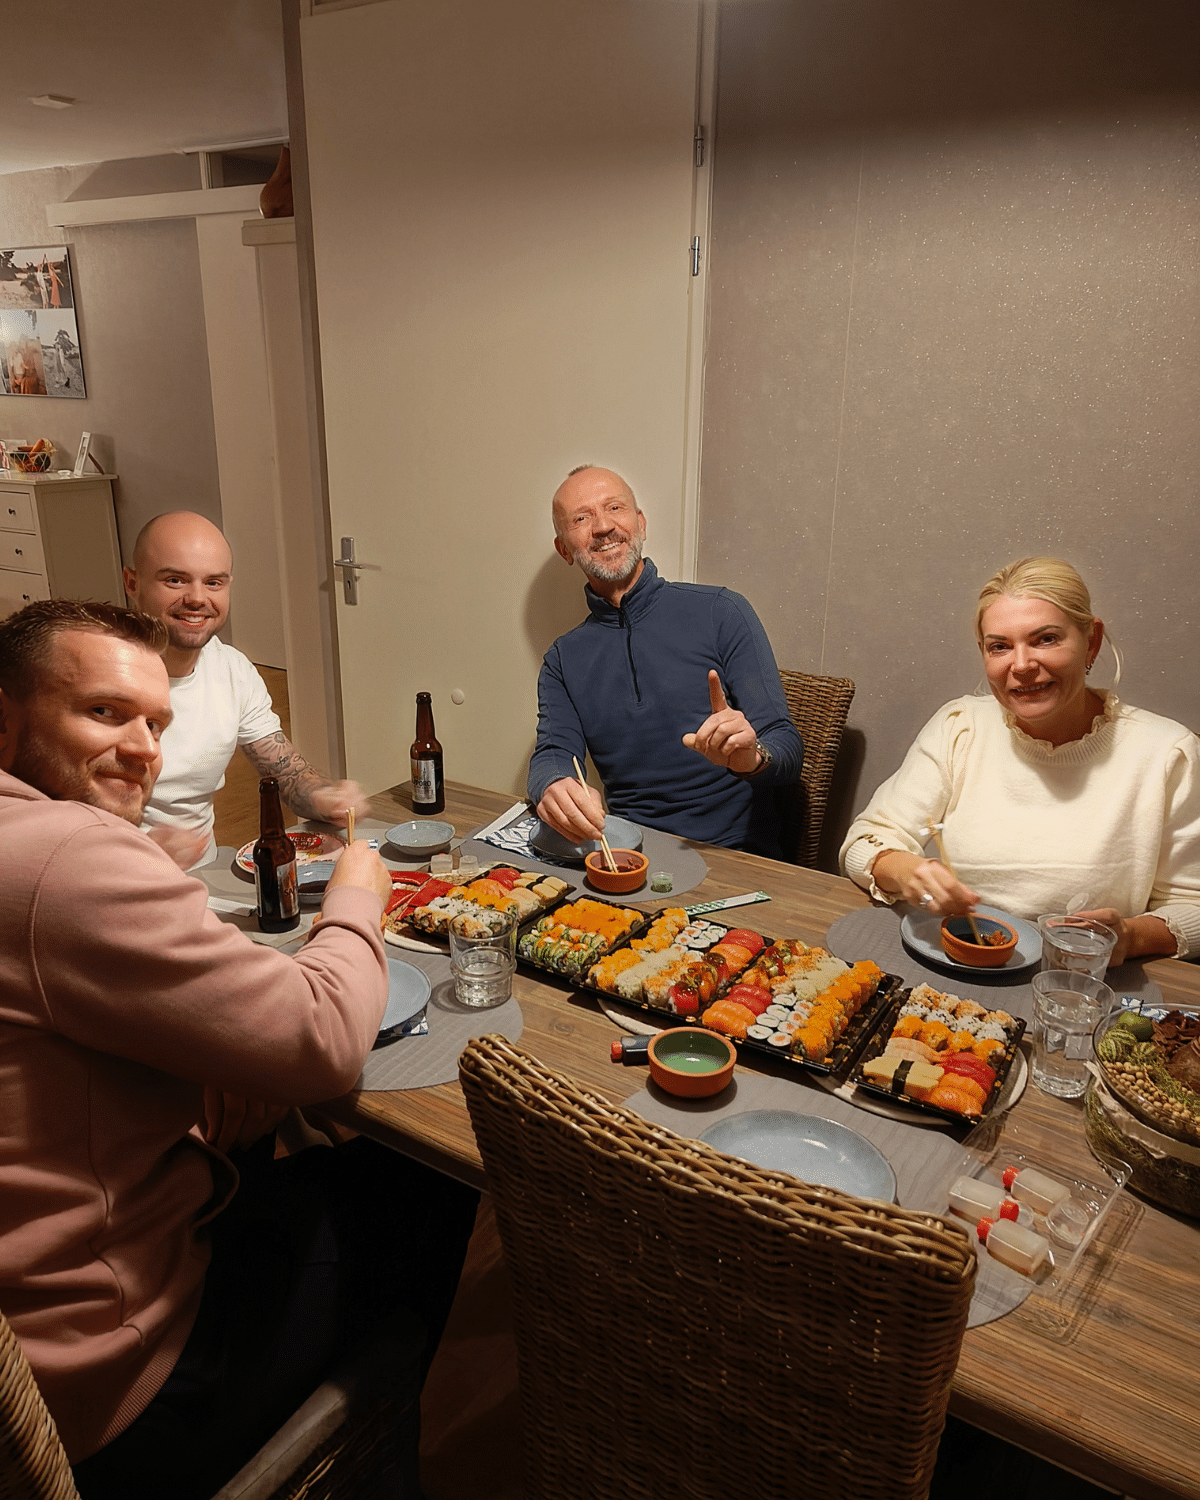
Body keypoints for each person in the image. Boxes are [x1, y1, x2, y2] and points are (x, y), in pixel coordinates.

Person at [0, 599, 475, 1498]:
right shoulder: (65, 856)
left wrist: (199, 1094)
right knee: (431, 1175)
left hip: (42, 1325)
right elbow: (324, 1038)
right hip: (116, 1386)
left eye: (156, 724)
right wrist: (358, 894)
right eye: (103, 712)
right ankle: (373, 1430)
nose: (142, 748)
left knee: (268, 1139)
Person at [840, 557, 1200, 965]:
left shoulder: (1166, 752)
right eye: (1000, 647)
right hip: (950, 964)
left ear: (1092, 642)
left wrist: (1130, 938)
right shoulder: (961, 726)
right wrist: (907, 873)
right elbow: (866, 841)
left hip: (1073, 981)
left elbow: (1193, 907)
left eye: (1046, 639)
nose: (1022, 665)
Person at [528, 465, 803, 859]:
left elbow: (787, 746)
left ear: (640, 523)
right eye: (581, 518)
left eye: (615, 508)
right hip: (627, 854)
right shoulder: (562, 659)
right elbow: (553, 752)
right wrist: (552, 783)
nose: (603, 526)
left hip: (736, 855)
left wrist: (752, 756)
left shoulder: (721, 611)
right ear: (564, 549)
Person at [123, 510, 369, 868]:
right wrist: (134, 851)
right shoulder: (98, 676)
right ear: (132, 583)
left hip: (203, 875)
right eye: (175, 580)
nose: (197, 598)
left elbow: (286, 771)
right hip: (111, 882)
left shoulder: (232, 670)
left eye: (214, 583)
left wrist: (325, 797)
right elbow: (51, 813)